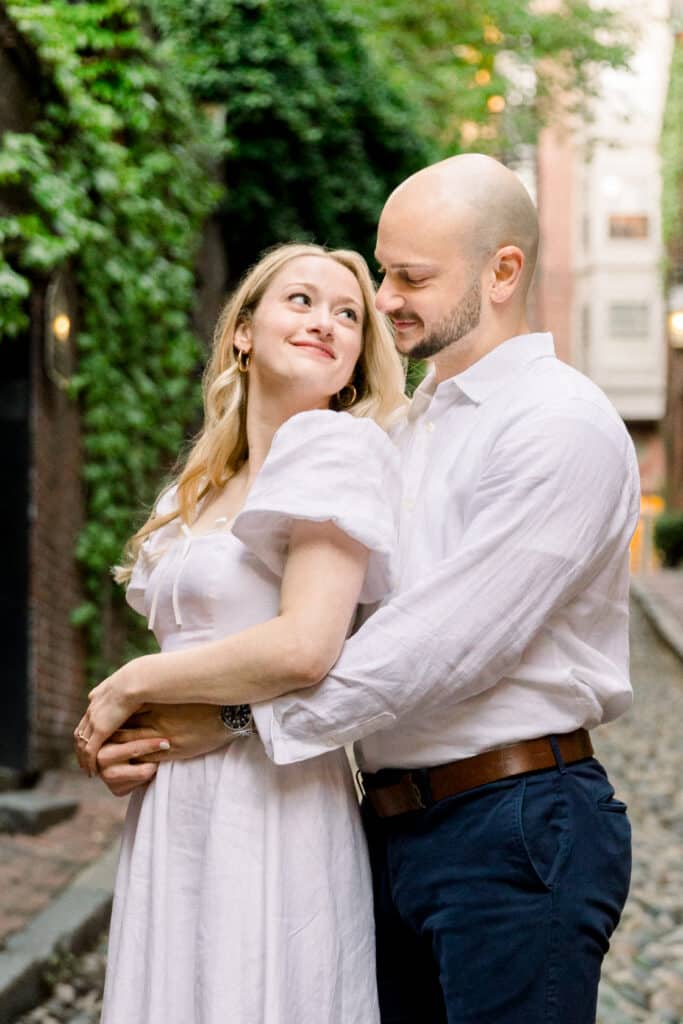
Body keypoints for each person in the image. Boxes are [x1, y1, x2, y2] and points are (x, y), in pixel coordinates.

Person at [87, 155, 640, 1024]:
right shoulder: (400, 429)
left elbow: (439, 646)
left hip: (516, 820)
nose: (382, 298)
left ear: (503, 271)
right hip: (385, 823)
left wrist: (231, 722)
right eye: (383, 272)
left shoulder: (557, 423)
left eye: (409, 276)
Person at [74, 241, 408, 1023]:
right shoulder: (199, 486)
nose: (326, 321)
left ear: (358, 359)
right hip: (170, 804)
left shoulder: (337, 447)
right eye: (300, 300)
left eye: (348, 314)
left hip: (273, 799)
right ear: (242, 333)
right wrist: (134, 744)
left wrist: (131, 685)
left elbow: (304, 647)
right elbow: (194, 650)